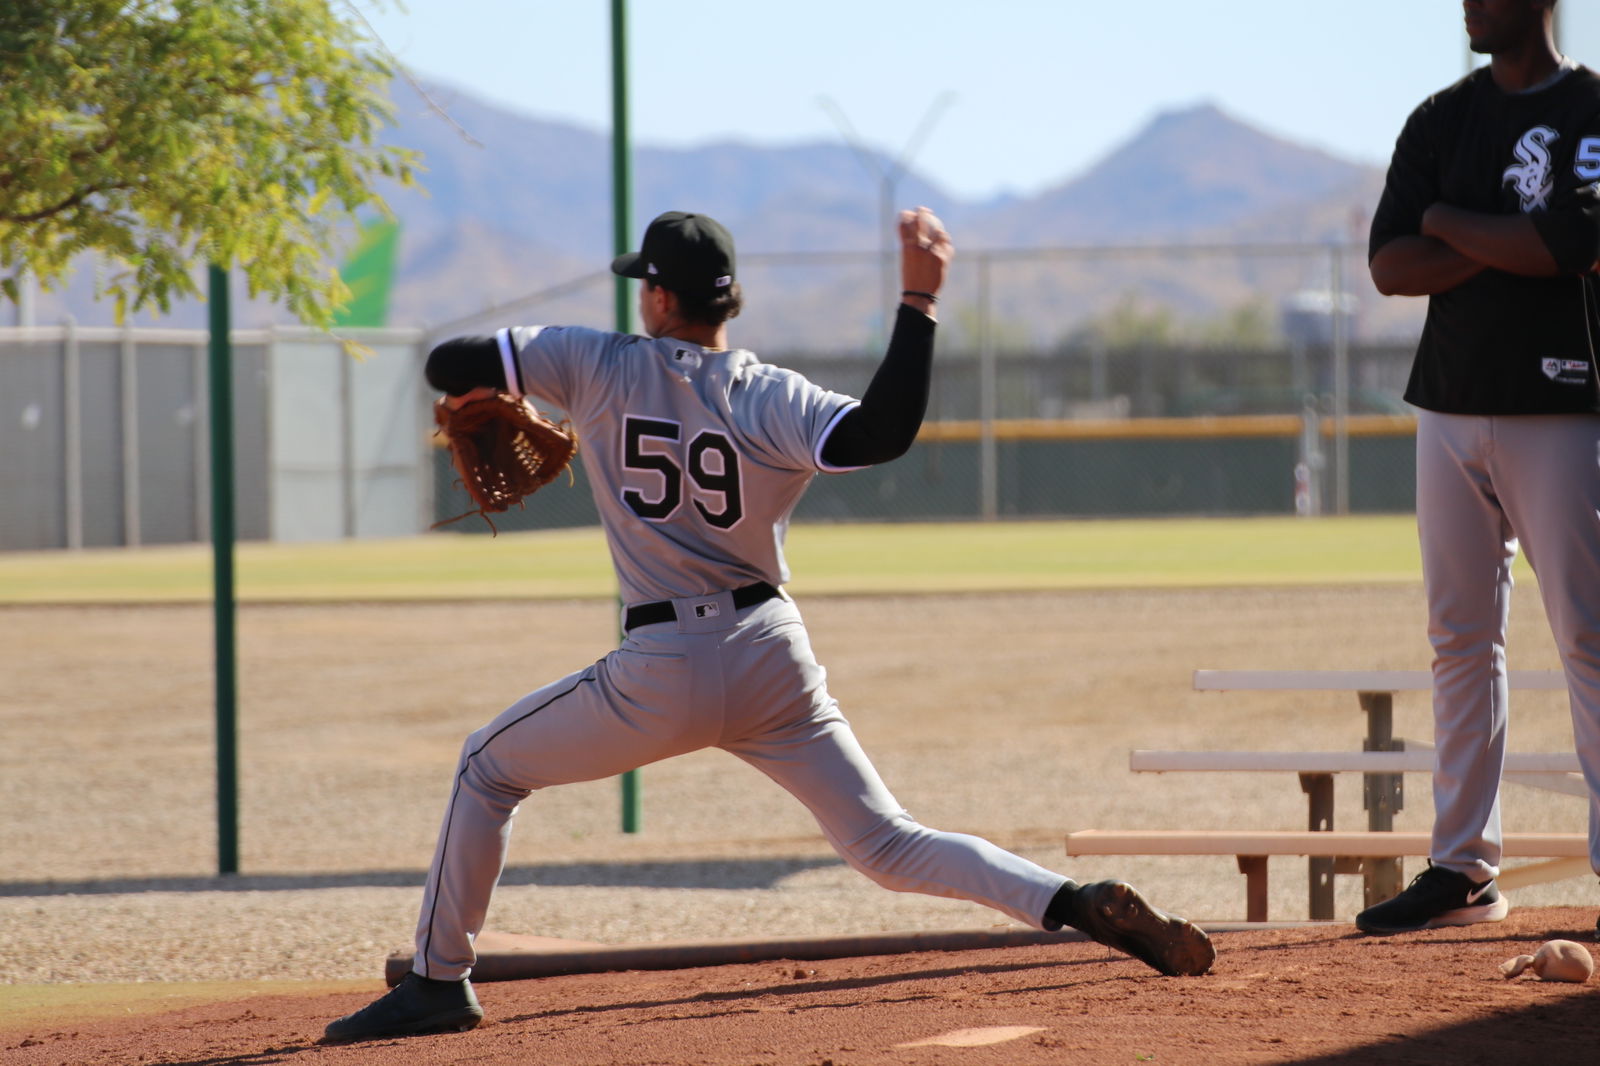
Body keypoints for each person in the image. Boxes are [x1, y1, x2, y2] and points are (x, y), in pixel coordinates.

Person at [322, 206, 1214, 1043]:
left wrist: (510, 390)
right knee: (888, 842)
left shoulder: (594, 362)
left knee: (487, 767)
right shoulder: (766, 392)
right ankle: (1075, 900)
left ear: (663, 298)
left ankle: (439, 982)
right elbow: (882, 432)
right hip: (769, 654)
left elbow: (449, 362)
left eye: (648, 285)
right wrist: (918, 299)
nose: (643, 297)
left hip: (662, 665)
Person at [1355, 0, 1600, 936]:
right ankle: (1462, 868)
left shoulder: (1590, 111)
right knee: (1459, 640)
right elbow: (1388, 263)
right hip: (1449, 405)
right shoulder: (1439, 117)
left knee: (1588, 636)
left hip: (1563, 405)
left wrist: (1449, 220)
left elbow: (1568, 245)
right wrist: (1495, 238)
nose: (1469, 3)